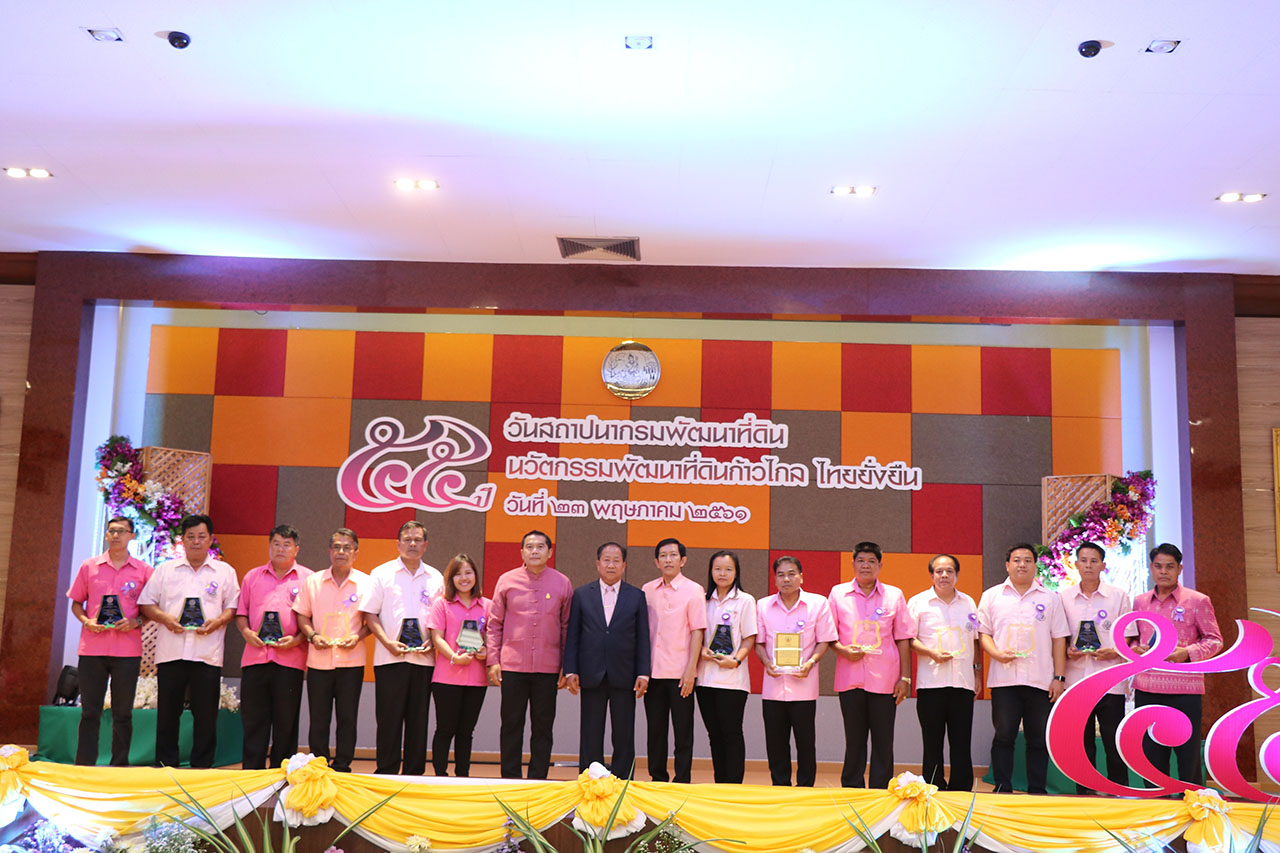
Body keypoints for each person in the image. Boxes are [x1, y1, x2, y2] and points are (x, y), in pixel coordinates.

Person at [138, 514, 239, 768]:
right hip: (171, 652)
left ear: (210, 539)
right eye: (190, 536)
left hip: (207, 653)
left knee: (205, 716)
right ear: (181, 540)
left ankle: (201, 767)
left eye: (201, 536)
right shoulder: (166, 570)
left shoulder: (225, 572)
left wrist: (218, 621)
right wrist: (165, 619)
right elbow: (147, 603)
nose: (196, 541)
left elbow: (233, 607)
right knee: (167, 714)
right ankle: (165, 766)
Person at [977, 542, 1069, 794]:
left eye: (1028, 560)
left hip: (1040, 680)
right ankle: (1002, 788)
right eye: (1016, 560)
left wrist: (1059, 677)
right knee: (1004, 735)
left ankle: (1037, 790)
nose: (1022, 565)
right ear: (1007, 565)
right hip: (1004, 680)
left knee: (1037, 739)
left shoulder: (1050, 598)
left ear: (1035, 566)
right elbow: (984, 633)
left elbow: (1059, 639)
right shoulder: (992, 596)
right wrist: (996, 654)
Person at [1131, 543, 1223, 786]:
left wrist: (1187, 653)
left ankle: (1191, 801)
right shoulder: (1140, 602)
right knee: (1151, 755)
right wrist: (1136, 649)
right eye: (1158, 566)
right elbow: (1133, 638)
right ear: (1151, 568)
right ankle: (1157, 804)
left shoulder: (1197, 600)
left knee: (1188, 754)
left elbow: (1215, 640)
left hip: (1185, 688)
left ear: (1179, 569)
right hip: (1148, 687)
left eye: (1170, 566)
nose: (1163, 571)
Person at [66, 515, 154, 766]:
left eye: (121, 531)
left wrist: (136, 622)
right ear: (106, 535)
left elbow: (150, 610)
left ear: (132, 536)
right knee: (89, 712)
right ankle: (85, 765)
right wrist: (87, 621)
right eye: (112, 531)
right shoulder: (89, 566)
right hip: (92, 649)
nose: (116, 535)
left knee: (123, 714)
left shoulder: (144, 571)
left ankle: (119, 766)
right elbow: (76, 603)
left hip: (127, 651)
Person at [486, 530, 573, 779]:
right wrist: (493, 660)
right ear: (522, 552)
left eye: (540, 547)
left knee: (543, 727)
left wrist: (566, 666)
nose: (535, 551)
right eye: (530, 547)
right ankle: (510, 779)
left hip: (548, 668)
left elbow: (566, 626)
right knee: (511, 724)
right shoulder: (507, 581)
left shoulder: (562, 583)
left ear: (550, 552)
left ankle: (538, 779)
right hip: (512, 666)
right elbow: (494, 624)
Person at [828, 541, 915, 789]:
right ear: (853, 564)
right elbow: (828, 635)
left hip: (885, 679)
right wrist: (843, 651)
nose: (865, 566)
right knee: (854, 740)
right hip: (850, 678)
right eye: (861, 561)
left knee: (883, 741)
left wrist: (905, 678)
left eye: (871, 561)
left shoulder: (894, 595)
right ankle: (852, 791)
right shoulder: (838, 594)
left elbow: (903, 638)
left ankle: (881, 792)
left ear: (880, 566)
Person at [360, 520, 443, 776]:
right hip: (390, 658)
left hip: (424, 659)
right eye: (407, 539)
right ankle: (386, 771)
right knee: (389, 719)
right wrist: (387, 642)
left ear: (425, 545)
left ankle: (414, 774)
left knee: (418, 720)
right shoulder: (381, 574)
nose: (412, 544)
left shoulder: (436, 577)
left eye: (418, 540)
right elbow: (370, 614)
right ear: (398, 544)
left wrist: (433, 640)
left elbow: (441, 618)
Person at [564, 542, 650, 776]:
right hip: (591, 673)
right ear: (597, 563)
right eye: (606, 560)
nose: (611, 565)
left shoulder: (637, 596)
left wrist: (643, 672)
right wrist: (570, 670)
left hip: (625, 674)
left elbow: (643, 637)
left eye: (616, 560)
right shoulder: (582, 594)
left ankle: (623, 781)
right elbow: (573, 635)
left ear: (624, 565)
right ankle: (590, 779)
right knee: (591, 732)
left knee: (624, 733)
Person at [1059, 541, 1137, 794]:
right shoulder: (1063, 597)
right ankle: (1085, 793)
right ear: (1076, 564)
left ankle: (1119, 792)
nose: (1088, 565)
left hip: (1110, 680)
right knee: (1082, 742)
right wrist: (1068, 649)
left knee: (1113, 740)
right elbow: (1058, 635)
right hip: (1076, 679)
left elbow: (1129, 634)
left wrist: (1114, 651)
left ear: (1103, 565)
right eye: (1083, 560)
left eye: (1094, 561)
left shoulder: (1118, 596)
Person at [755, 555, 837, 787]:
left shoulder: (818, 604)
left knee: (805, 743)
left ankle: (805, 789)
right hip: (773, 686)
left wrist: (811, 662)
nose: (786, 579)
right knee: (775, 744)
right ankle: (780, 788)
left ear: (801, 577)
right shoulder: (763, 606)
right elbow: (759, 643)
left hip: (804, 687)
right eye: (780, 575)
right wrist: (766, 662)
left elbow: (824, 640)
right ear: (775, 579)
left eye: (791, 574)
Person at [235, 524, 311, 770]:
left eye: (287, 544)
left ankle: (282, 775)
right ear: (269, 546)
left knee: (285, 724)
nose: (281, 549)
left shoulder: (308, 579)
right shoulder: (252, 577)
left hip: (290, 660)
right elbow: (241, 613)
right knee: (253, 721)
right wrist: (247, 632)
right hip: (255, 658)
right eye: (276, 544)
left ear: (296, 549)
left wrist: (297, 640)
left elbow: (312, 620)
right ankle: (252, 776)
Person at [294, 527, 369, 773]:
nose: (341, 552)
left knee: (347, 717)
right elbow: (302, 615)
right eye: (336, 547)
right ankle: (319, 764)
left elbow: (372, 622)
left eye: (347, 547)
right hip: (319, 660)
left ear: (356, 552)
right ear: (329, 551)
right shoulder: (313, 582)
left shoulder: (366, 583)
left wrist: (357, 637)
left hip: (351, 661)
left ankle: (343, 765)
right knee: (319, 717)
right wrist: (313, 636)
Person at [907, 554, 980, 791]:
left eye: (949, 571)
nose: (944, 576)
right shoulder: (918, 602)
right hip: (931, 683)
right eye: (939, 571)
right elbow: (909, 639)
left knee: (961, 740)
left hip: (963, 682)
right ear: (931, 575)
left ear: (957, 575)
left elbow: (975, 640)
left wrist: (977, 672)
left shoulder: (968, 603)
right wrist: (931, 652)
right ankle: (933, 786)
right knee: (932, 741)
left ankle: (961, 788)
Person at [641, 537, 707, 783]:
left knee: (683, 731)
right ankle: (657, 777)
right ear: (656, 562)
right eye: (663, 556)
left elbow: (697, 631)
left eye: (673, 555)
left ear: (683, 560)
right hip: (653, 672)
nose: (668, 560)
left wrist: (691, 670)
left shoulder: (694, 590)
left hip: (681, 673)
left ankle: (682, 779)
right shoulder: (647, 590)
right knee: (655, 730)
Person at [695, 550, 756, 784]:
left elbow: (749, 638)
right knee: (714, 735)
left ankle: (734, 785)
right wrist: (701, 650)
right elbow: (696, 634)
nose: (722, 573)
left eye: (728, 569)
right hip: (705, 678)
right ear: (711, 571)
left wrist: (736, 660)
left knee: (731, 733)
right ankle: (720, 783)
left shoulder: (745, 600)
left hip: (733, 679)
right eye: (718, 569)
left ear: (736, 572)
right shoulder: (702, 600)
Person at [427, 554, 491, 777]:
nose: (464, 578)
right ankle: (440, 775)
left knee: (466, 731)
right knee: (445, 729)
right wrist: (454, 657)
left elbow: (493, 638)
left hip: (476, 678)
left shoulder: (487, 605)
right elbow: (437, 638)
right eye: (458, 574)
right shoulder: (442, 604)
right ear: (451, 578)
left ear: (475, 575)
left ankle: (463, 775)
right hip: (446, 677)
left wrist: (486, 652)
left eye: (468, 573)